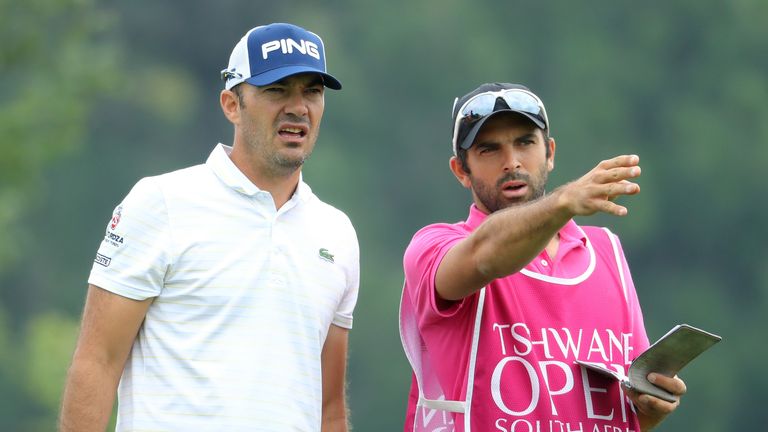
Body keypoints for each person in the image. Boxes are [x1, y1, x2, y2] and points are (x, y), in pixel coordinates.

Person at [59, 23, 359, 432]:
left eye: (312, 91)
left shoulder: (336, 233)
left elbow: (329, 408)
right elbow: (97, 363)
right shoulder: (160, 202)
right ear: (232, 105)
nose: (298, 107)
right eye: (276, 90)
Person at [399, 83, 686, 431]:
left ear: (550, 152)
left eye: (525, 142)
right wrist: (563, 202)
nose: (512, 162)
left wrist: (651, 409)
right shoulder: (434, 247)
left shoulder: (606, 250)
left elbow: (619, 414)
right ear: (461, 170)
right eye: (489, 149)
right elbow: (486, 255)